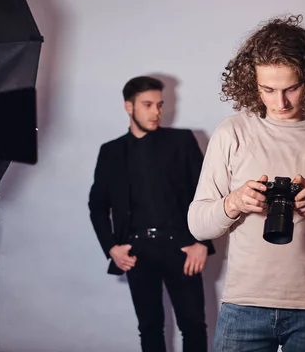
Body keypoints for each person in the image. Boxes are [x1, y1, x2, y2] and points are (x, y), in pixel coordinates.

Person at [187, 15, 305, 351]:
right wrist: (235, 203)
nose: (280, 103)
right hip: (244, 303)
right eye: (268, 90)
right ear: (251, 82)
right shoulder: (233, 132)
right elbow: (198, 225)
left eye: (292, 88)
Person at [88, 76, 215, 352]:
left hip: (182, 247)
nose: (156, 112)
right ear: (128, 106)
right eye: (147, 105)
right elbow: (97, 206)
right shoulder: (111, 152)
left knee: (193, 325)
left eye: (159, 105)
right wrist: (111, 247)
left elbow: (207, 194)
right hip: (137, 251)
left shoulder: (182, 141)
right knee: (149, 328)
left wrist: (201, 244)